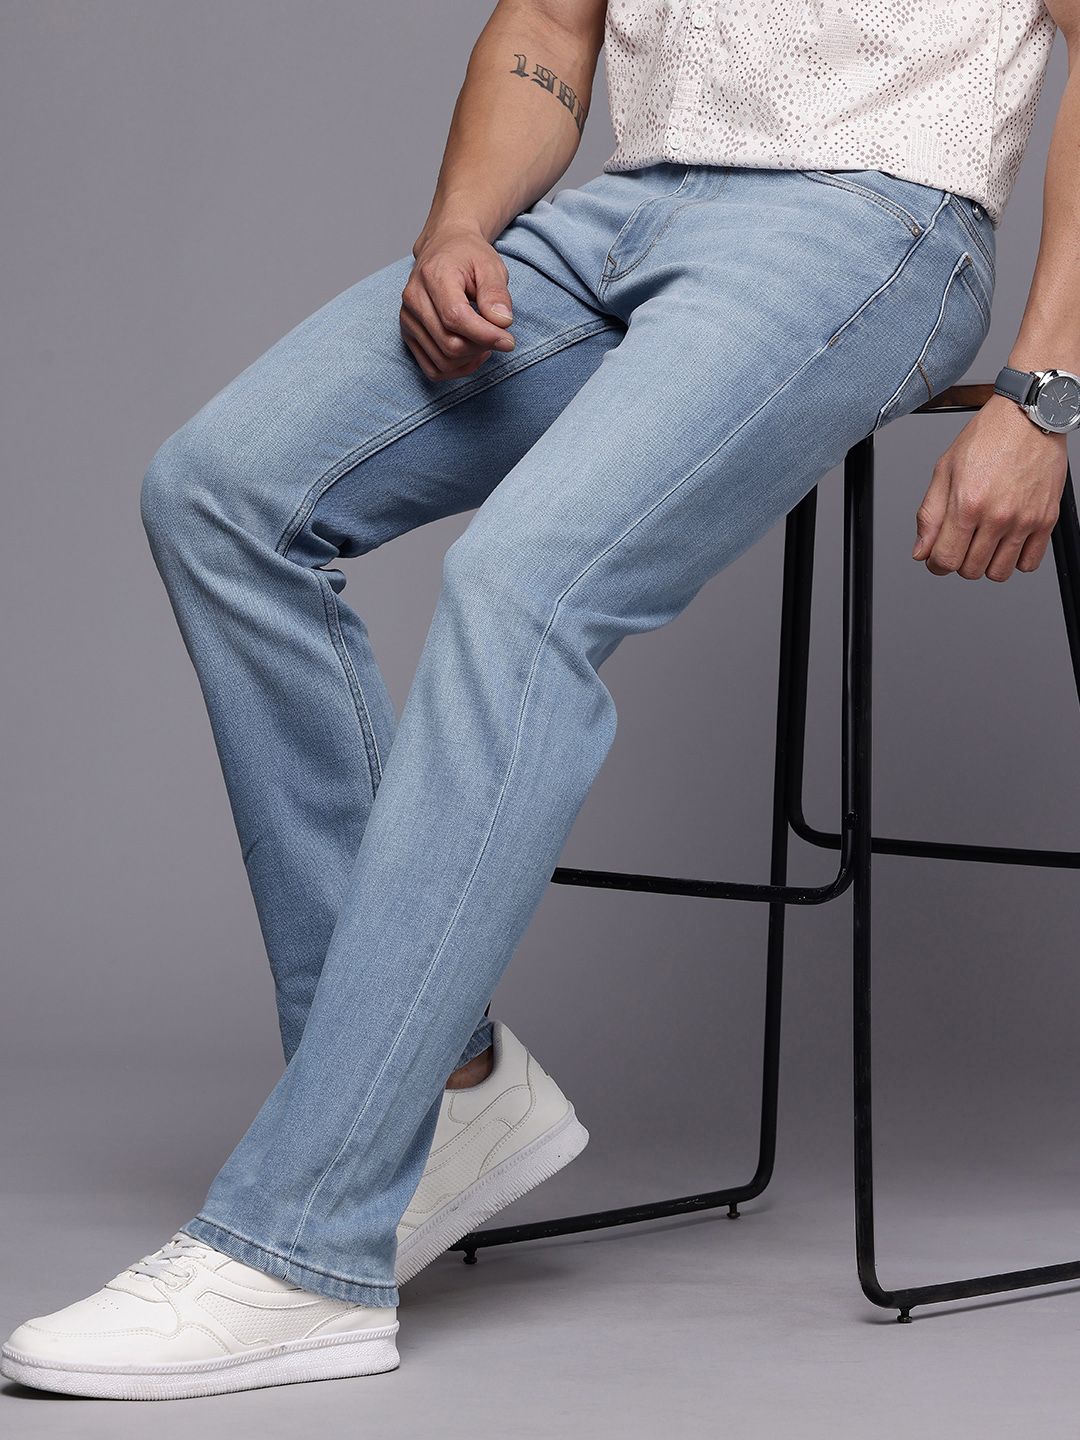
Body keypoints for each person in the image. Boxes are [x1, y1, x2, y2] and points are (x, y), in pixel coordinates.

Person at [3, 0, 1077, 1402]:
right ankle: (442, 1089)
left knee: (524, 587)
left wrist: (1046, 391)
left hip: (867, 225)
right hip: (619, 214)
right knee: (222, 495)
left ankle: (305, 1238)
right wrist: (459, 224)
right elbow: (553, 23)